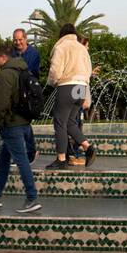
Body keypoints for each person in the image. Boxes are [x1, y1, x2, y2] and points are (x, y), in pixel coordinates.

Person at [0, 44, 41, 212]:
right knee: (4, 159)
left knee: (22, 161)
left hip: (12, 124)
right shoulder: (23, 70)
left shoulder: (5, 73)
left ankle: (32, 198)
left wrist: (1, 122)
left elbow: (1, 103)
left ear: (3, 57)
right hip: (24, 122)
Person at [46, 24, 94, 169]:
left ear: (61, 34)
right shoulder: (82, 48)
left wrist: (51, 84)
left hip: (67, 86)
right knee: (71, 123)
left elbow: (55, 70)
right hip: (81, 87)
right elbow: (89, 70)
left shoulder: (61, 47)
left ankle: (61, 159)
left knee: (60, 122)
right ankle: (88, 147)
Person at [11, 28, 41, 164]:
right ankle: (20, 153)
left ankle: (30, 151)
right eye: (15, 40)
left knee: (24, 123)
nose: (18, 42)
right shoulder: (11, 52)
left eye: (20, 40)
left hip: (28, 94)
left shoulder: (33, 54)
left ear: (25, 39)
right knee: (15, 123)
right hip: (14, 92)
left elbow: (30, 73)